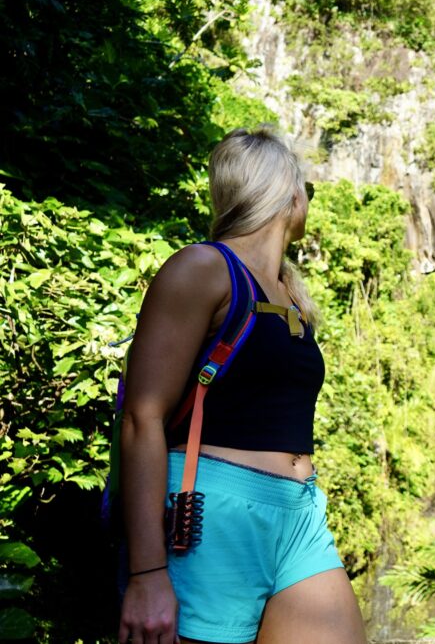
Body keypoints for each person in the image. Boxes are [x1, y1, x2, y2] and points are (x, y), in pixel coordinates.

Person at [117, 127, 367, 644]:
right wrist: (147, 575)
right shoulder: (203, 269)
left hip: (299, 514)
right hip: (210, 520)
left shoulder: (290, 296)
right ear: (289, 195)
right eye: (306, 189)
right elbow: (143, 417)